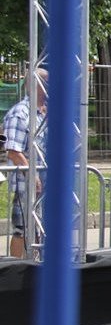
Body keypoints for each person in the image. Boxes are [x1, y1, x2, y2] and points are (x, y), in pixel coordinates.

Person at [4, 69, 47, 257]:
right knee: (22, 229)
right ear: (38, 84)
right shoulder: (20, 113)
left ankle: (35, 267)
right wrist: (33, 176)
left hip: (44, 183)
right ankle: (15, 270)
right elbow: (14, 150)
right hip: (26, 185)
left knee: (39, 229)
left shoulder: (43, 113)